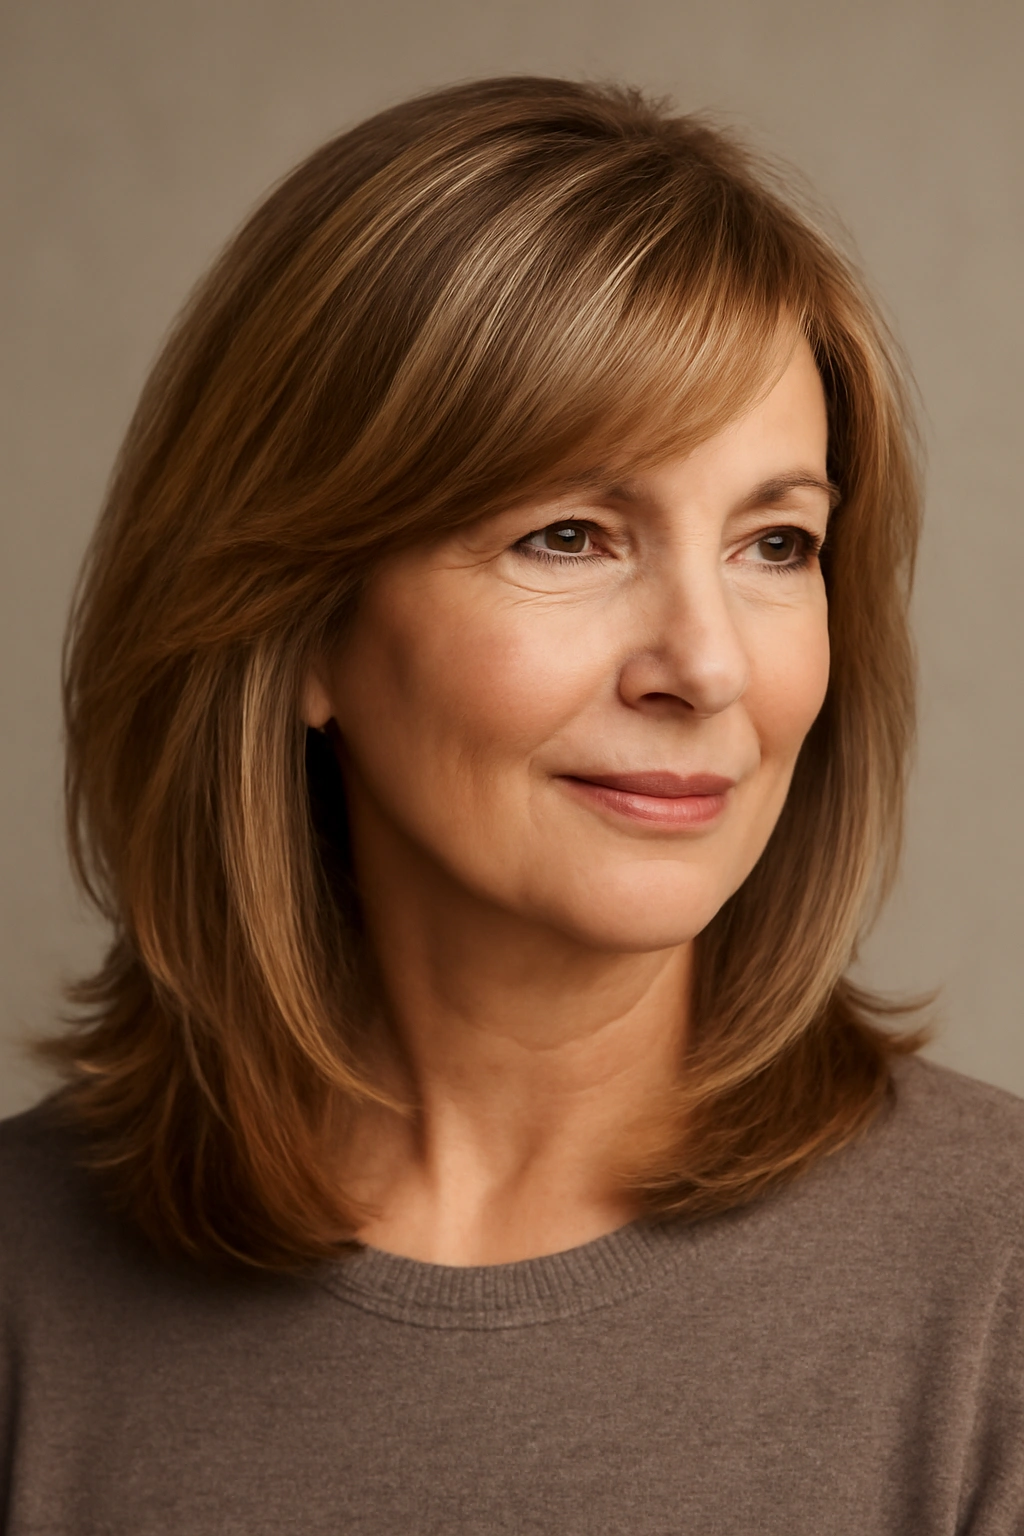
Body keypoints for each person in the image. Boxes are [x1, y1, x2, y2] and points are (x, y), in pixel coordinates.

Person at [1, 75, 1021, 1534]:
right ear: (295, 626)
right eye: (569, 534)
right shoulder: (26, 1295)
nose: (708, 664)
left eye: (777, 542)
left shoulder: (998, 1286)